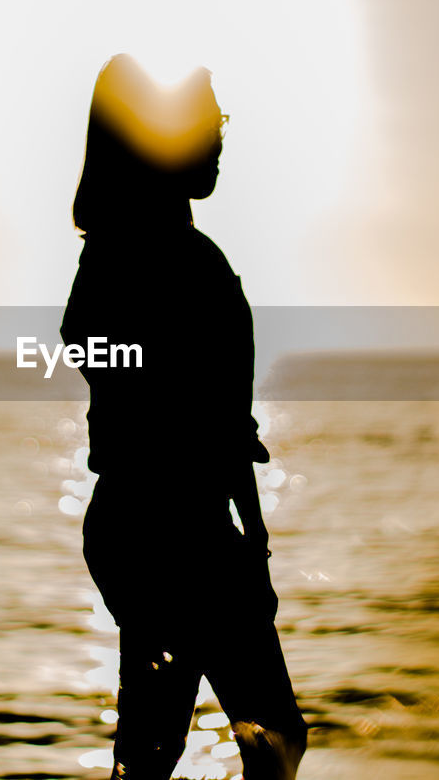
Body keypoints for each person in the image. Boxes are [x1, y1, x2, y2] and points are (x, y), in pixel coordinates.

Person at [60, 54, 307, 780]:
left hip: (185, 529)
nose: (221, 143)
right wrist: (166, 381)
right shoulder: (139, 250)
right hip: (160, 530)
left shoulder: (174, 252)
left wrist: (252, 537)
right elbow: (86, 343)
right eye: (210, 129)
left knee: (192, 747)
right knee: (227, 742)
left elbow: (225, 426)